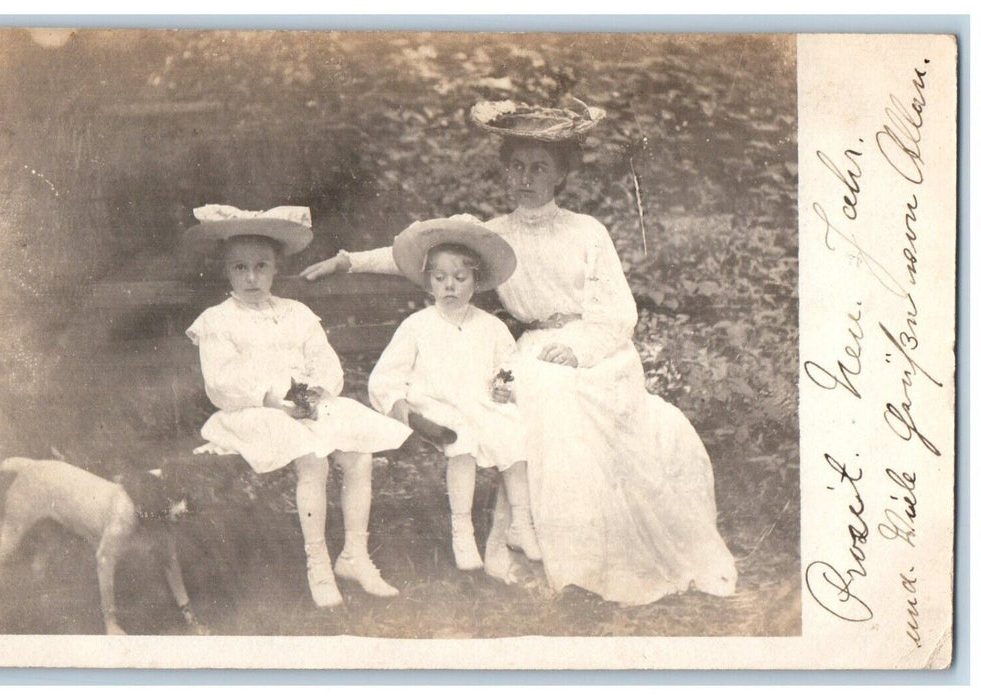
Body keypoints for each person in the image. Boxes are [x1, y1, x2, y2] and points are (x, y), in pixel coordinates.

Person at [300, 102, 738, 606]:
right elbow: (423, 254)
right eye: (517, 166)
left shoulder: (587, 231)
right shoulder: (494, 234)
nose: (525, 178)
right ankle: (535, 542)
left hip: (599, 352)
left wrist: (580, 349)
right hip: (531, 347)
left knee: (563, 391)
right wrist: (349, 261)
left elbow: (618, 313)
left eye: (539, 168)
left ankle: (569, 544)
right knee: (533, 389)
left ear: (562, 175)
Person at [184, 204, 411, 608]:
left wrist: (317, 392)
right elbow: (221, 382)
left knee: (358, 453)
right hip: (252, 412)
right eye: (240, 268)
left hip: (304, 406)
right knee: (312, 459)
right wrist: (272, 398)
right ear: (226, 271)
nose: (252, 277)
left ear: (276, 269)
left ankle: (354, 556)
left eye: (261, 266)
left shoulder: (298, 313)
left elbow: (324, 361)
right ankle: (318, 564)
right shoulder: (217, 320)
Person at [368, 219, 541, 571]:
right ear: (429, 282)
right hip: (434, 404)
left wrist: (505, 385)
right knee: (461, 439)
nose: (450, 286)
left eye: (460, 279)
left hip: (478, 400)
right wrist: (397, 403)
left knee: (513, 431)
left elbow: (509, 366)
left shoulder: (491, 327)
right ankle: (461, 529)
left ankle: (520, 524)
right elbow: (386, 375)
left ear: (476, 282)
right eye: (440, 278)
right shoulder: (417, 326)